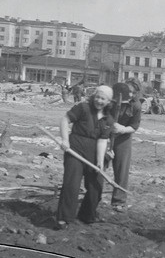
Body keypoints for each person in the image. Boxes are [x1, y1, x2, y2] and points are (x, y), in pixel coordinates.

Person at [56, 85, 115, 229]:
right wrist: (65, 140)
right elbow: (65, 120)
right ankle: (65, 218)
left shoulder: (109, 120)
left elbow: (102, 141)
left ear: (108, 101)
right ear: (94, 96)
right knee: (71, 185)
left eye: (103, 99)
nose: (99, 101)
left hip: (93, 154)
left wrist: (100, 161)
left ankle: (87, 215)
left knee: (96, 186)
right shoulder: (83, 108)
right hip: (75, 150)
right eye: (98, 97)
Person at [109, 82, 141, 212]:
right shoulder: (111, 101)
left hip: (123, 139)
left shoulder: (136, 105)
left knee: (121, 170)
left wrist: (123, 129)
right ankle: (93, 197)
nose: (131, 94)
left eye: (134, 92)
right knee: (99, 166)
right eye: (129, 91)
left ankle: (119, 201)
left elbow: (134, 126)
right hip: (106, 136)